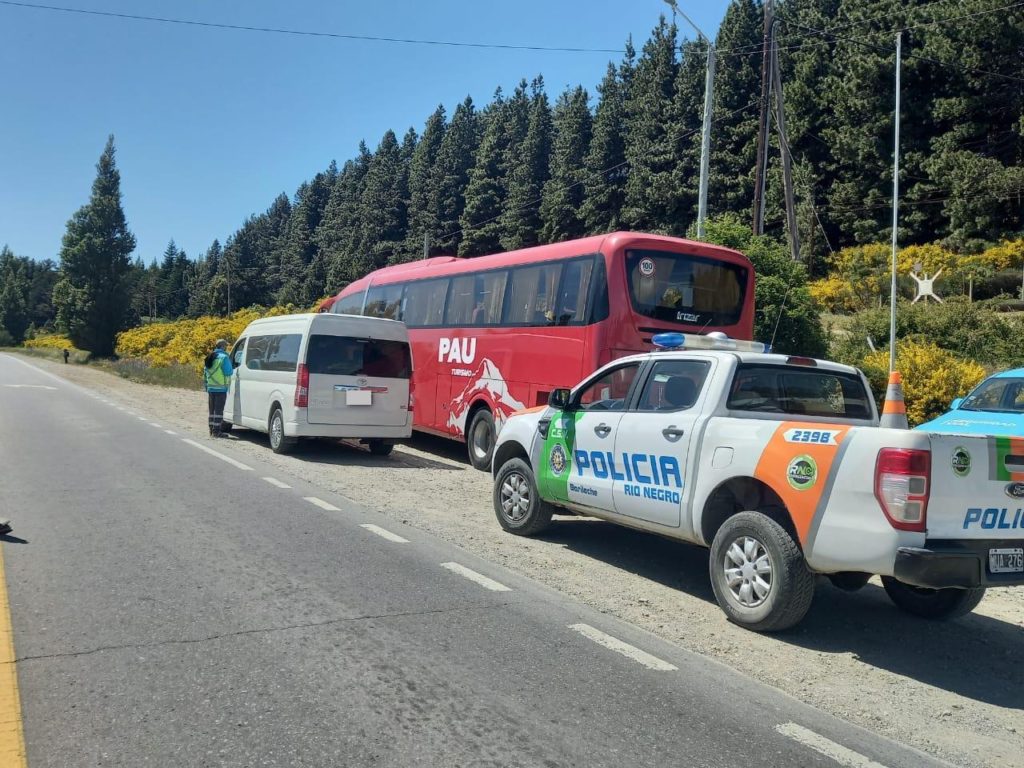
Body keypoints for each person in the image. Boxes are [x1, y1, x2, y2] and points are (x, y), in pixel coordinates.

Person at [203, 339, 234, 437]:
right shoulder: (224, 357)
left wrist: (206, 386)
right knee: (219, 411)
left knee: (212, 411)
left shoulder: (209, 357)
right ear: (223, 346)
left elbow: (205, 373)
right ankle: (216, 432)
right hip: (221, 388)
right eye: (226, 346)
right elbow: (229, 372)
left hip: (211, 388)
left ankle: (211, 430)